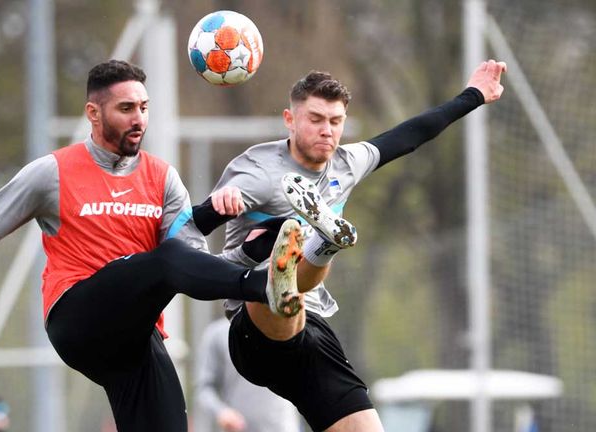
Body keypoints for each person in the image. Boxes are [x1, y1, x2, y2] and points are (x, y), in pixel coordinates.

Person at [0, 59, 308, 432]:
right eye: (126, 108)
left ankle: (261, 278)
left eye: (144, 108)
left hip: (135, 337)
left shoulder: (162, 178)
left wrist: (248, 247)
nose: (139, 119)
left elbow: (191, 264)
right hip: (77, 318)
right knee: (168, 261)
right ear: (93, 114)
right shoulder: (51, 173)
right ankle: (264, 287)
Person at [192, 59, 507, 432]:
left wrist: (474, 95)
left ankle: (322, 243)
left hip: (314, 328)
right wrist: (216, 205)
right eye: (315, 119)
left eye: (335, 121)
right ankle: (295, 263)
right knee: (280, 285)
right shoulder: (257, 173)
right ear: (290, 120)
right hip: (254, 330)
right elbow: (187, 231)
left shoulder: (347, 163)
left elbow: (410, 135)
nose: (327, 130)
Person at [194, 316, 301, 432]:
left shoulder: (287, 325)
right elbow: (204, 388)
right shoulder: (218, 334)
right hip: (239, 428)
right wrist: (221, 412)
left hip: (284, 427)